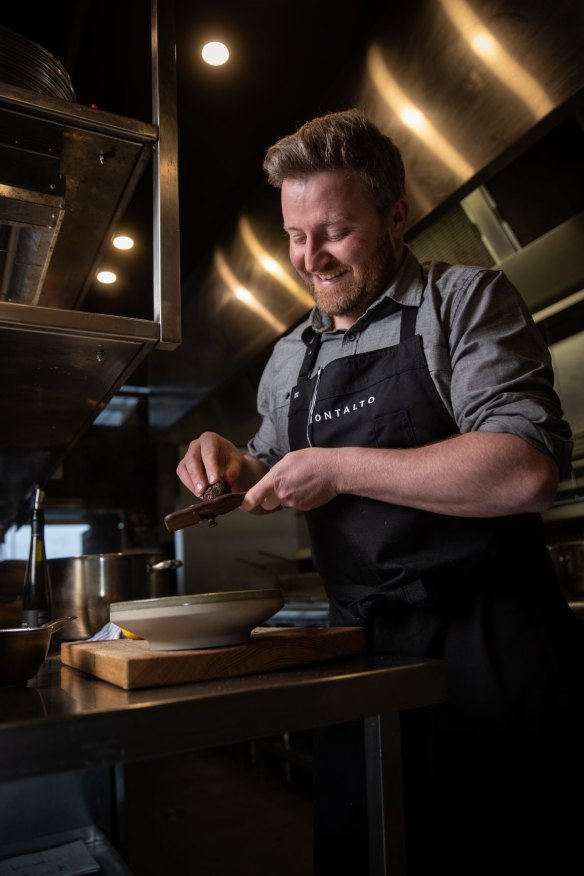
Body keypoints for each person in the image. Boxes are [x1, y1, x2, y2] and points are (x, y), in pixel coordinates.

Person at [177, 109, 582, 875]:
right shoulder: (289, 355)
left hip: (491, 642)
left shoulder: (463, 301)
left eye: (333, 230)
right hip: (359, 656)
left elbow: (524, 468)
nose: (310, 258)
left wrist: (338, 466)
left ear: (396, 216)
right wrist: (230, 463)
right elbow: (268, 468)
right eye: (295, 236)